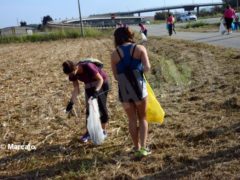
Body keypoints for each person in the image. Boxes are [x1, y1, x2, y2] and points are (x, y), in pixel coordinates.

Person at [111, 27, 151, 157]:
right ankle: (143, 148)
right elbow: (147, 68)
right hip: (138, 87)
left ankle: (136, 147)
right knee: (143, 118)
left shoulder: (114, 54)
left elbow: (116, 76)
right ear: (130, 35)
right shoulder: (139, 48)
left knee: (132, 119)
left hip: (124, 89)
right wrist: (137, 70)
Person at [62, 59, 110, 143]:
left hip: (101, 84)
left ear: (75, 68)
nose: (71, 75)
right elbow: (76, 89)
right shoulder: (72, 74)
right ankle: (88, 133)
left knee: (101, 108)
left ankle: (103, 131)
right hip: (89, 85)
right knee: (89, 110)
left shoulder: (88, 66)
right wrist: (71, 103)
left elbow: (100, 79)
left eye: (71, 73)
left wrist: (96, 92)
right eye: (69, 74)